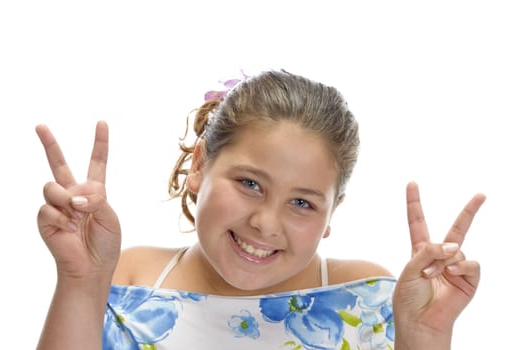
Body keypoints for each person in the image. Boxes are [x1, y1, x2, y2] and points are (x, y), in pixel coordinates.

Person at [35, 69, 486, 350]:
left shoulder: (368, 300)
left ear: (332, 215)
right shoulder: (125, 280)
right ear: (200, 166)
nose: (265, 223)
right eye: (250, 183)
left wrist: (425, 339)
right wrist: (81, 282)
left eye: (302, 203)